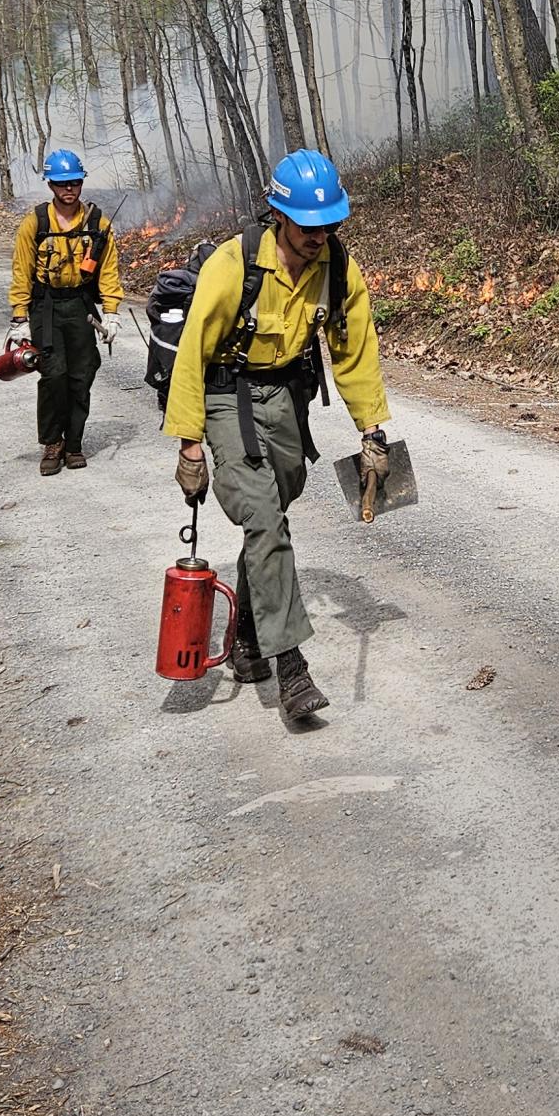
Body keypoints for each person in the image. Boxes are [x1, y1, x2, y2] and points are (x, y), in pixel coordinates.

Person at [163, 149, 393, 725]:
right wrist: (189, 440)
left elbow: (354, 349)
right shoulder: (231, 264)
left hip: (286, 398)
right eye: (310, 227)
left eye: (330, 225)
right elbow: (191, 351)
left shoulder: (337, 267)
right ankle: (291, 669)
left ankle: (243, 638)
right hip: (224, 397)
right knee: (263, 518)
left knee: (280, 503)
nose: (320, 236)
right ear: (279, 216)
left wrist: (372, 429)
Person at [8, 148, 121, 476]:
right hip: (45, 307)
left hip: (81, 305)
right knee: (53, 374)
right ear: (50, 185)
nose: (68, 189)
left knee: (81, 375)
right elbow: (21, 271)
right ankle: (52, 442)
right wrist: (19, 317)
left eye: (74, 182)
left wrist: (111, 312)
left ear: (81, 182)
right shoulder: (35, 223)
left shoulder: (98, 223)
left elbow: (110, 271)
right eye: (61, 184)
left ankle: (74, 444)